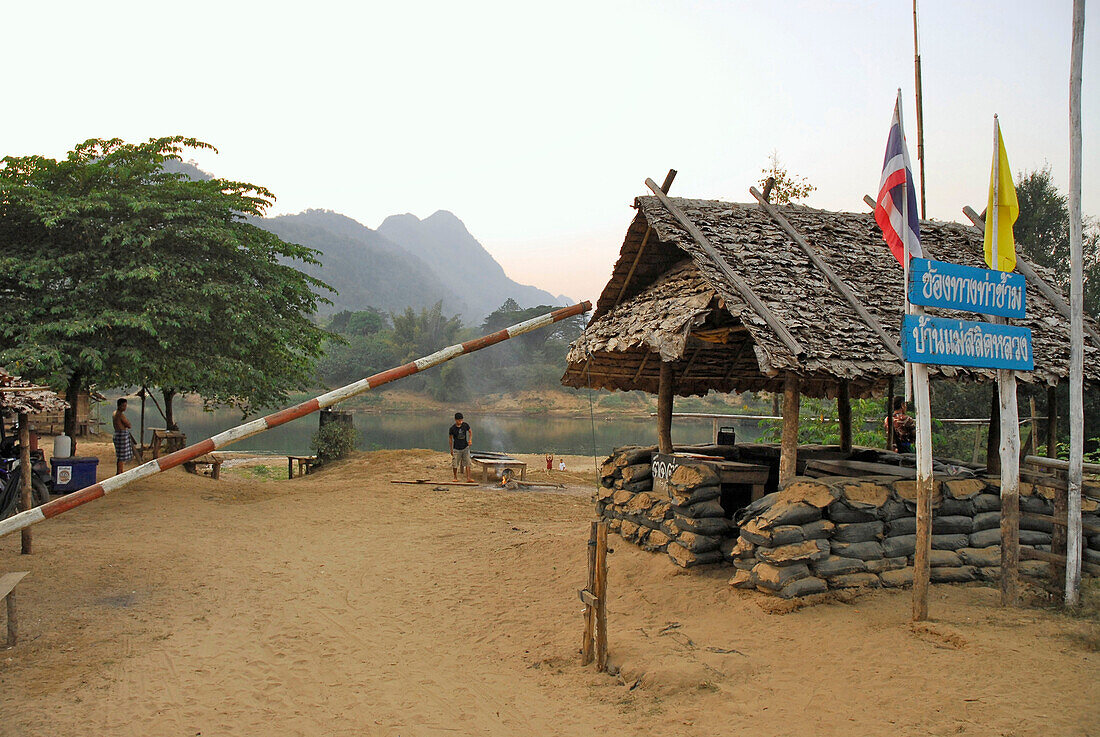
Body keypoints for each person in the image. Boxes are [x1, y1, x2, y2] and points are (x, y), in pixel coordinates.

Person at [449, 412, 473, 482]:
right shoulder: (452, 428)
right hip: (456, 448)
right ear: (455, 420)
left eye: (461, 420)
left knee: (468, 462)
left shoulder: (465, 425)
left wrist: (470, 440)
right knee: (455, 463)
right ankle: (455, 477)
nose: (460, 422)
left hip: (465, 447)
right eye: (459, 420)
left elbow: (470, 432)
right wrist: (451, 449)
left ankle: (468, 478)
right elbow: (450, 440)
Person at [113, 398, 134, 475]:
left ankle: (120, 471)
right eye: (123, 406)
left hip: (117, 434)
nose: (125, 408)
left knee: (120, 455)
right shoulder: (120, 415)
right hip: (121, 435)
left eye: (125, 406)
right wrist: (127, 423)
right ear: (119, 406)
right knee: (121, 456)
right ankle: (119, 472)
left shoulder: (114, 413)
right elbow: (128, 425)